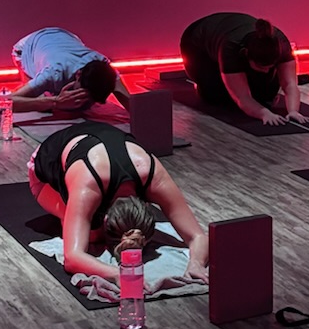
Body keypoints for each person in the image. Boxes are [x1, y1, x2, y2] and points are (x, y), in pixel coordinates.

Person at [27, 120, 208, 283]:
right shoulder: (88, 184)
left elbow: (198, 237)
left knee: (85, 228)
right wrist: (116, 274)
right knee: (91, 236)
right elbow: (72, 258)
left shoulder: (152, 174)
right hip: (45, 173)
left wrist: (197, 264)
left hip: (98, 147)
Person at [180, 12, 302, 127]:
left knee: (266, 95)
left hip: (233, 33)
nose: (266, 71)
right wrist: (264, 114)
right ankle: (204, 87)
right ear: (245, 55)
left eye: (270, 67)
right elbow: (242, 97)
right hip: (198, 43)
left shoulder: (281, 45)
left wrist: (293, 111)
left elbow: (290, 84)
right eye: (261, 67)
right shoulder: (231, 47)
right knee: (217, 97)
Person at [9, 27, 123, 115]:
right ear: (78, 75)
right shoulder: (54, 73)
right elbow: (7, 102)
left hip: (67, 36)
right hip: (27, 47)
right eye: (82, 93)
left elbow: (131, 103)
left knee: (79, 108)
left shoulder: (104, 66)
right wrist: (55, 102)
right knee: (38, 103)